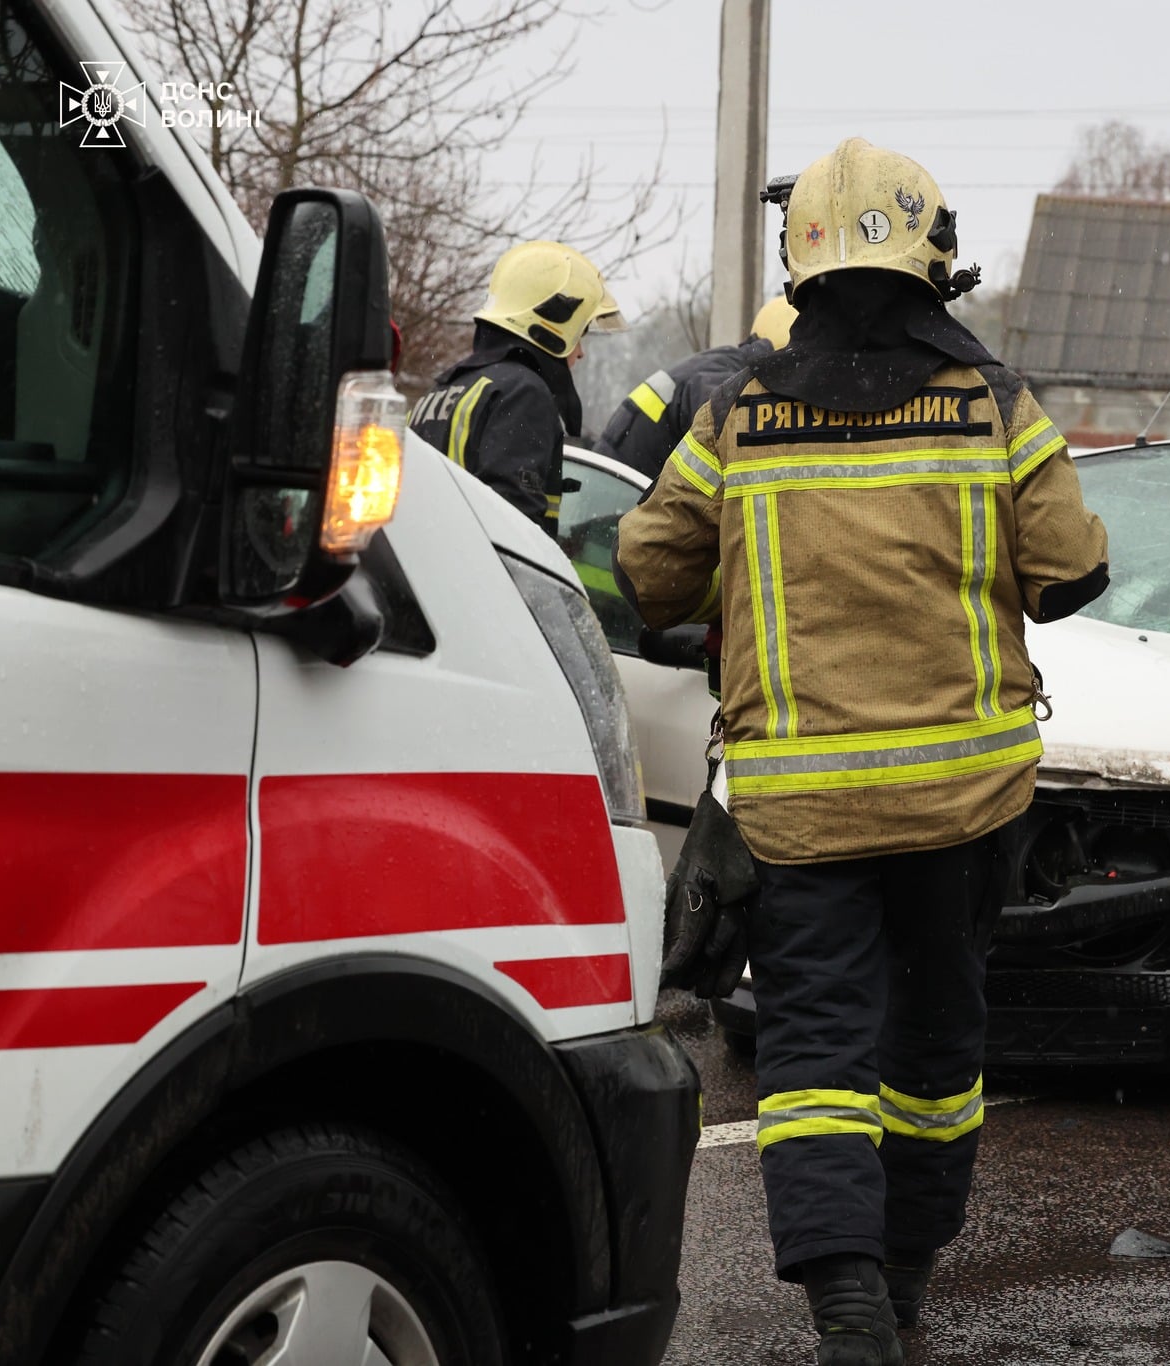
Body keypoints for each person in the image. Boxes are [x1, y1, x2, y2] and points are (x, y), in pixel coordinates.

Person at [617, 138, 1108, 1366]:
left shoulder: (735, 415)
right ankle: (899, 1280)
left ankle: (844, 1309)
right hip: (964, 804)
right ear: (932, 256)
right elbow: (1072, 572)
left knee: (813, 1055)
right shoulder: (994, 403)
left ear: (804, 263)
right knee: (936, 1052)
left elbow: (647, 571)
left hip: (801, 816)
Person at [408, 240, 624, 532]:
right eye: (579, 334)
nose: (580, 352)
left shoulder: (442, 390)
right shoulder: (522, 395)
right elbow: (512, 530)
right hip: (475, 576)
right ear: (552, 328)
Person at [595, 297, 798, 482]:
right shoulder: (723, 381)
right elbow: (729, 446)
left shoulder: (719, 364)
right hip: (616, 493)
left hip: (610, 485)